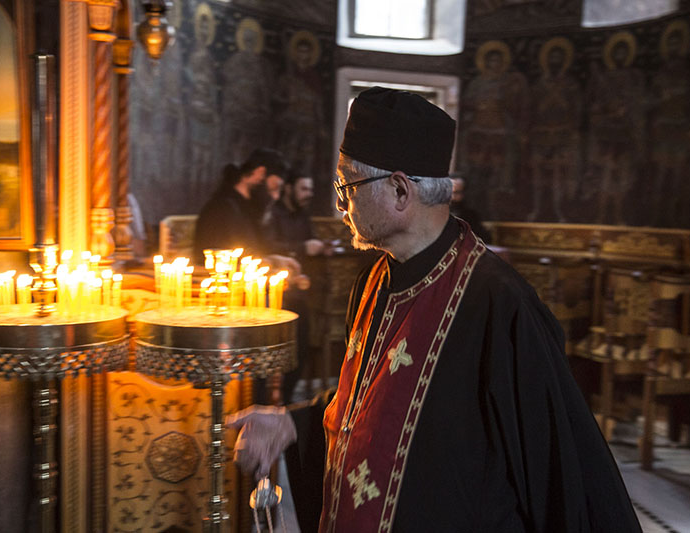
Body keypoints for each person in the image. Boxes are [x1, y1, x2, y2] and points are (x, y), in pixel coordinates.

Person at [227, 87, 641, 532]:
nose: (340, 204)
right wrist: (293, 424)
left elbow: (558, 471)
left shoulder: (499, 304)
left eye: (346, 185)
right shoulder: (373, 282)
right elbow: (375, 405)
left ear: (400, 191)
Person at [192, 147, 289, 265]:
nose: (276, 196)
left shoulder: (247, 209)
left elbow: (254, 252)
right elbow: (222, 260)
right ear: (260, 173)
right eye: (273, 188)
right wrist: (271, 262)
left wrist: (274, 260)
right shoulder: (221, 209)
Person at [264, 172, 325, 258]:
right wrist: (302, 248)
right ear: (289, 189)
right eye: (304, 189)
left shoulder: (303, 214)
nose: (309, 194)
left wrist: (322, 247)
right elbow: (268, 246)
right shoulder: (273, 213)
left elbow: (311, 239)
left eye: (310, 190)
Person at [449, 173, 492, 243]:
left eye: (457, 193)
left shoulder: (470, 216)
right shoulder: (435, 212)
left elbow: (482, 239)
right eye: (449, 192)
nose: (452, 197)